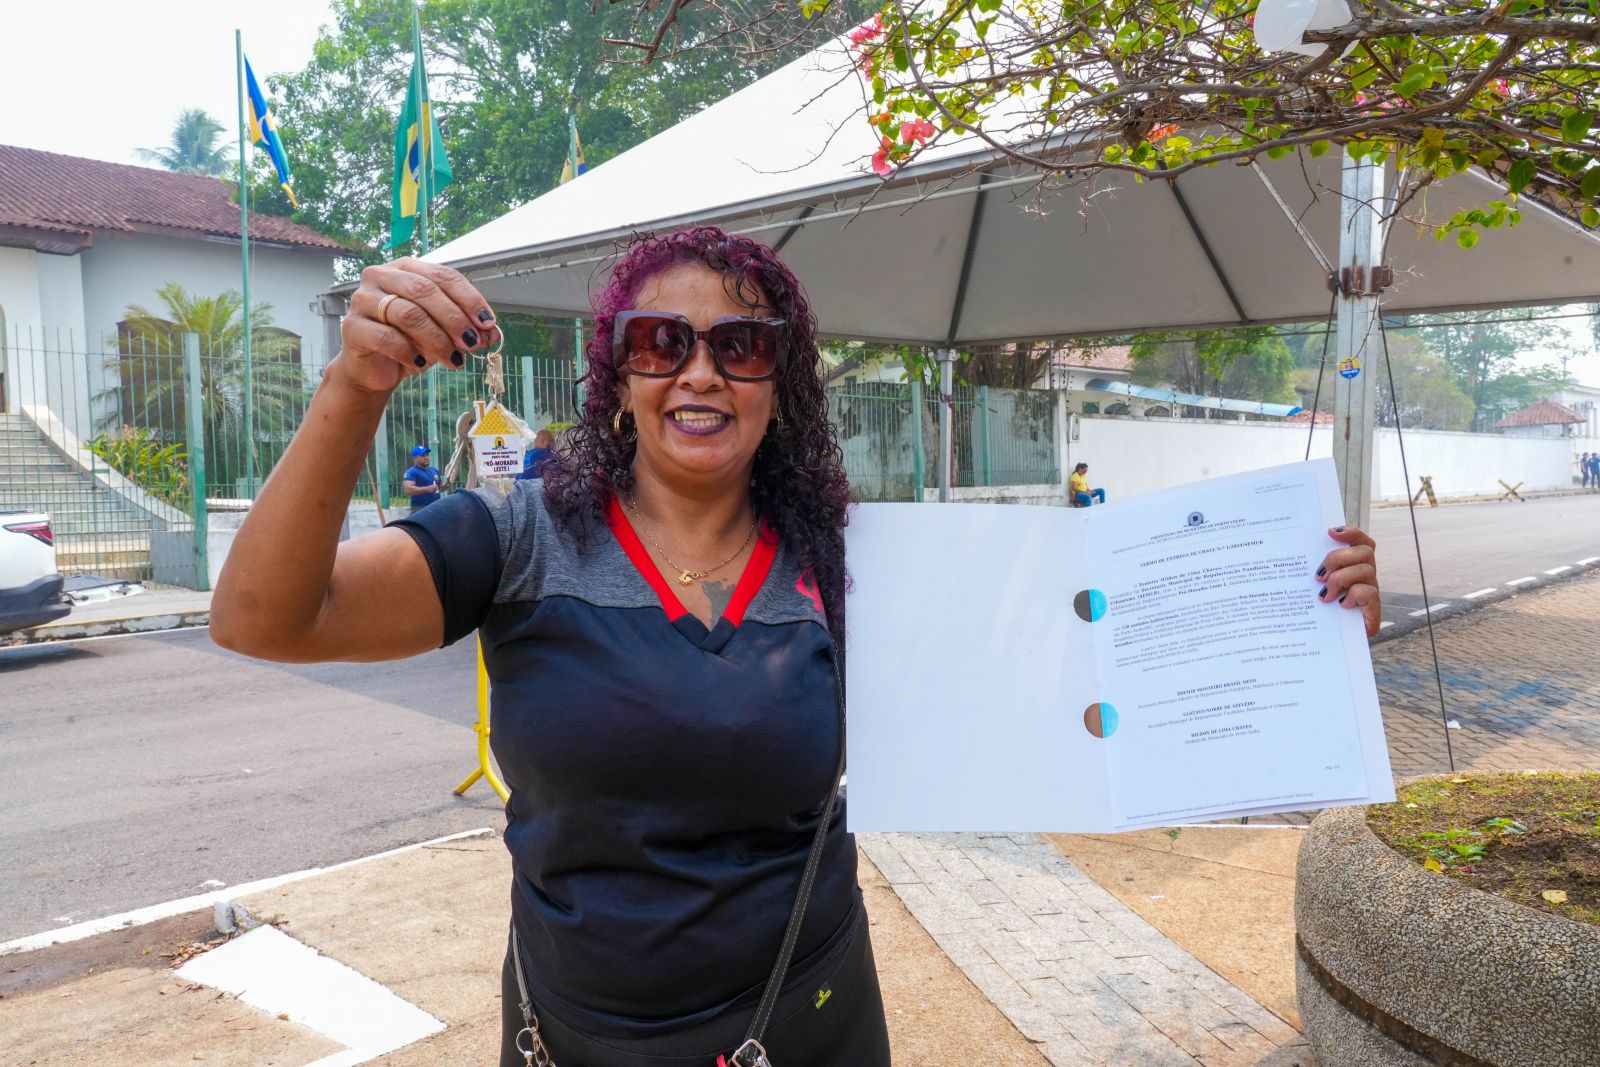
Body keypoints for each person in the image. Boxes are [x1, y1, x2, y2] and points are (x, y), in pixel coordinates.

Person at [208, 226, 1385, 1067]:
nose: (702, 371)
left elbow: (1088, 676)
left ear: (782, 381)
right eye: (662, 341)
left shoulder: (852, 561)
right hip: (578, 1028)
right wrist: (357, 384)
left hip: (806, 1011)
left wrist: (1297, 615)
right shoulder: (516, 539)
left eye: (743, 344)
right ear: (616, 373)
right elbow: (264, 615)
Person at [401, 444, 443, 509]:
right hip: (420, 510)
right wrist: (427, 489)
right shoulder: (411, 472)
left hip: (436, 508)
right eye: (423, 456)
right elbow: (407, 490)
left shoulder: (435, 471)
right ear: (415, 458)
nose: (426, 457)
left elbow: (440, 488)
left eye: (427, 455)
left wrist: (446, 486)